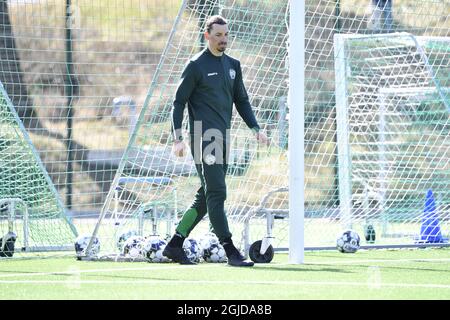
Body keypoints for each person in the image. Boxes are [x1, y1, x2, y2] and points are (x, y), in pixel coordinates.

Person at [163, 15, 268, 267]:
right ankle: (231, 250)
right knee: (218, 192)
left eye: (226, 35)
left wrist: (256, 128)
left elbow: (241, 100)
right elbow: (178, 103)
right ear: (207, 36)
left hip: (223, 137)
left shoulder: (233, 65)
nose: (223, 39)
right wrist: (177, 138)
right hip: (203, 136)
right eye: (218, 35)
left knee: (206, 195)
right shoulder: (196, 65)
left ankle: (175, 245)